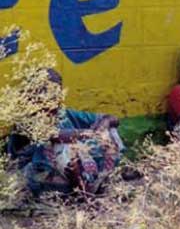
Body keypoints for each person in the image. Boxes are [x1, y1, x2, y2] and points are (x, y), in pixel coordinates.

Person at [6, 69, 124, 197]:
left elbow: (112, 118)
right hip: (36, 176)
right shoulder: (26, 119)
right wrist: (87, 134)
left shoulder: (62, 114)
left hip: (71, 173)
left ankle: (99, 181)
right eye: (44, 92)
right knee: (60, 145)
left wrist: (102, 126)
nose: (52, 98)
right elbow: (53, 135)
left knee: (110, 131)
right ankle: (82, 192)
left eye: (55, 92)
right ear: (33, 94)